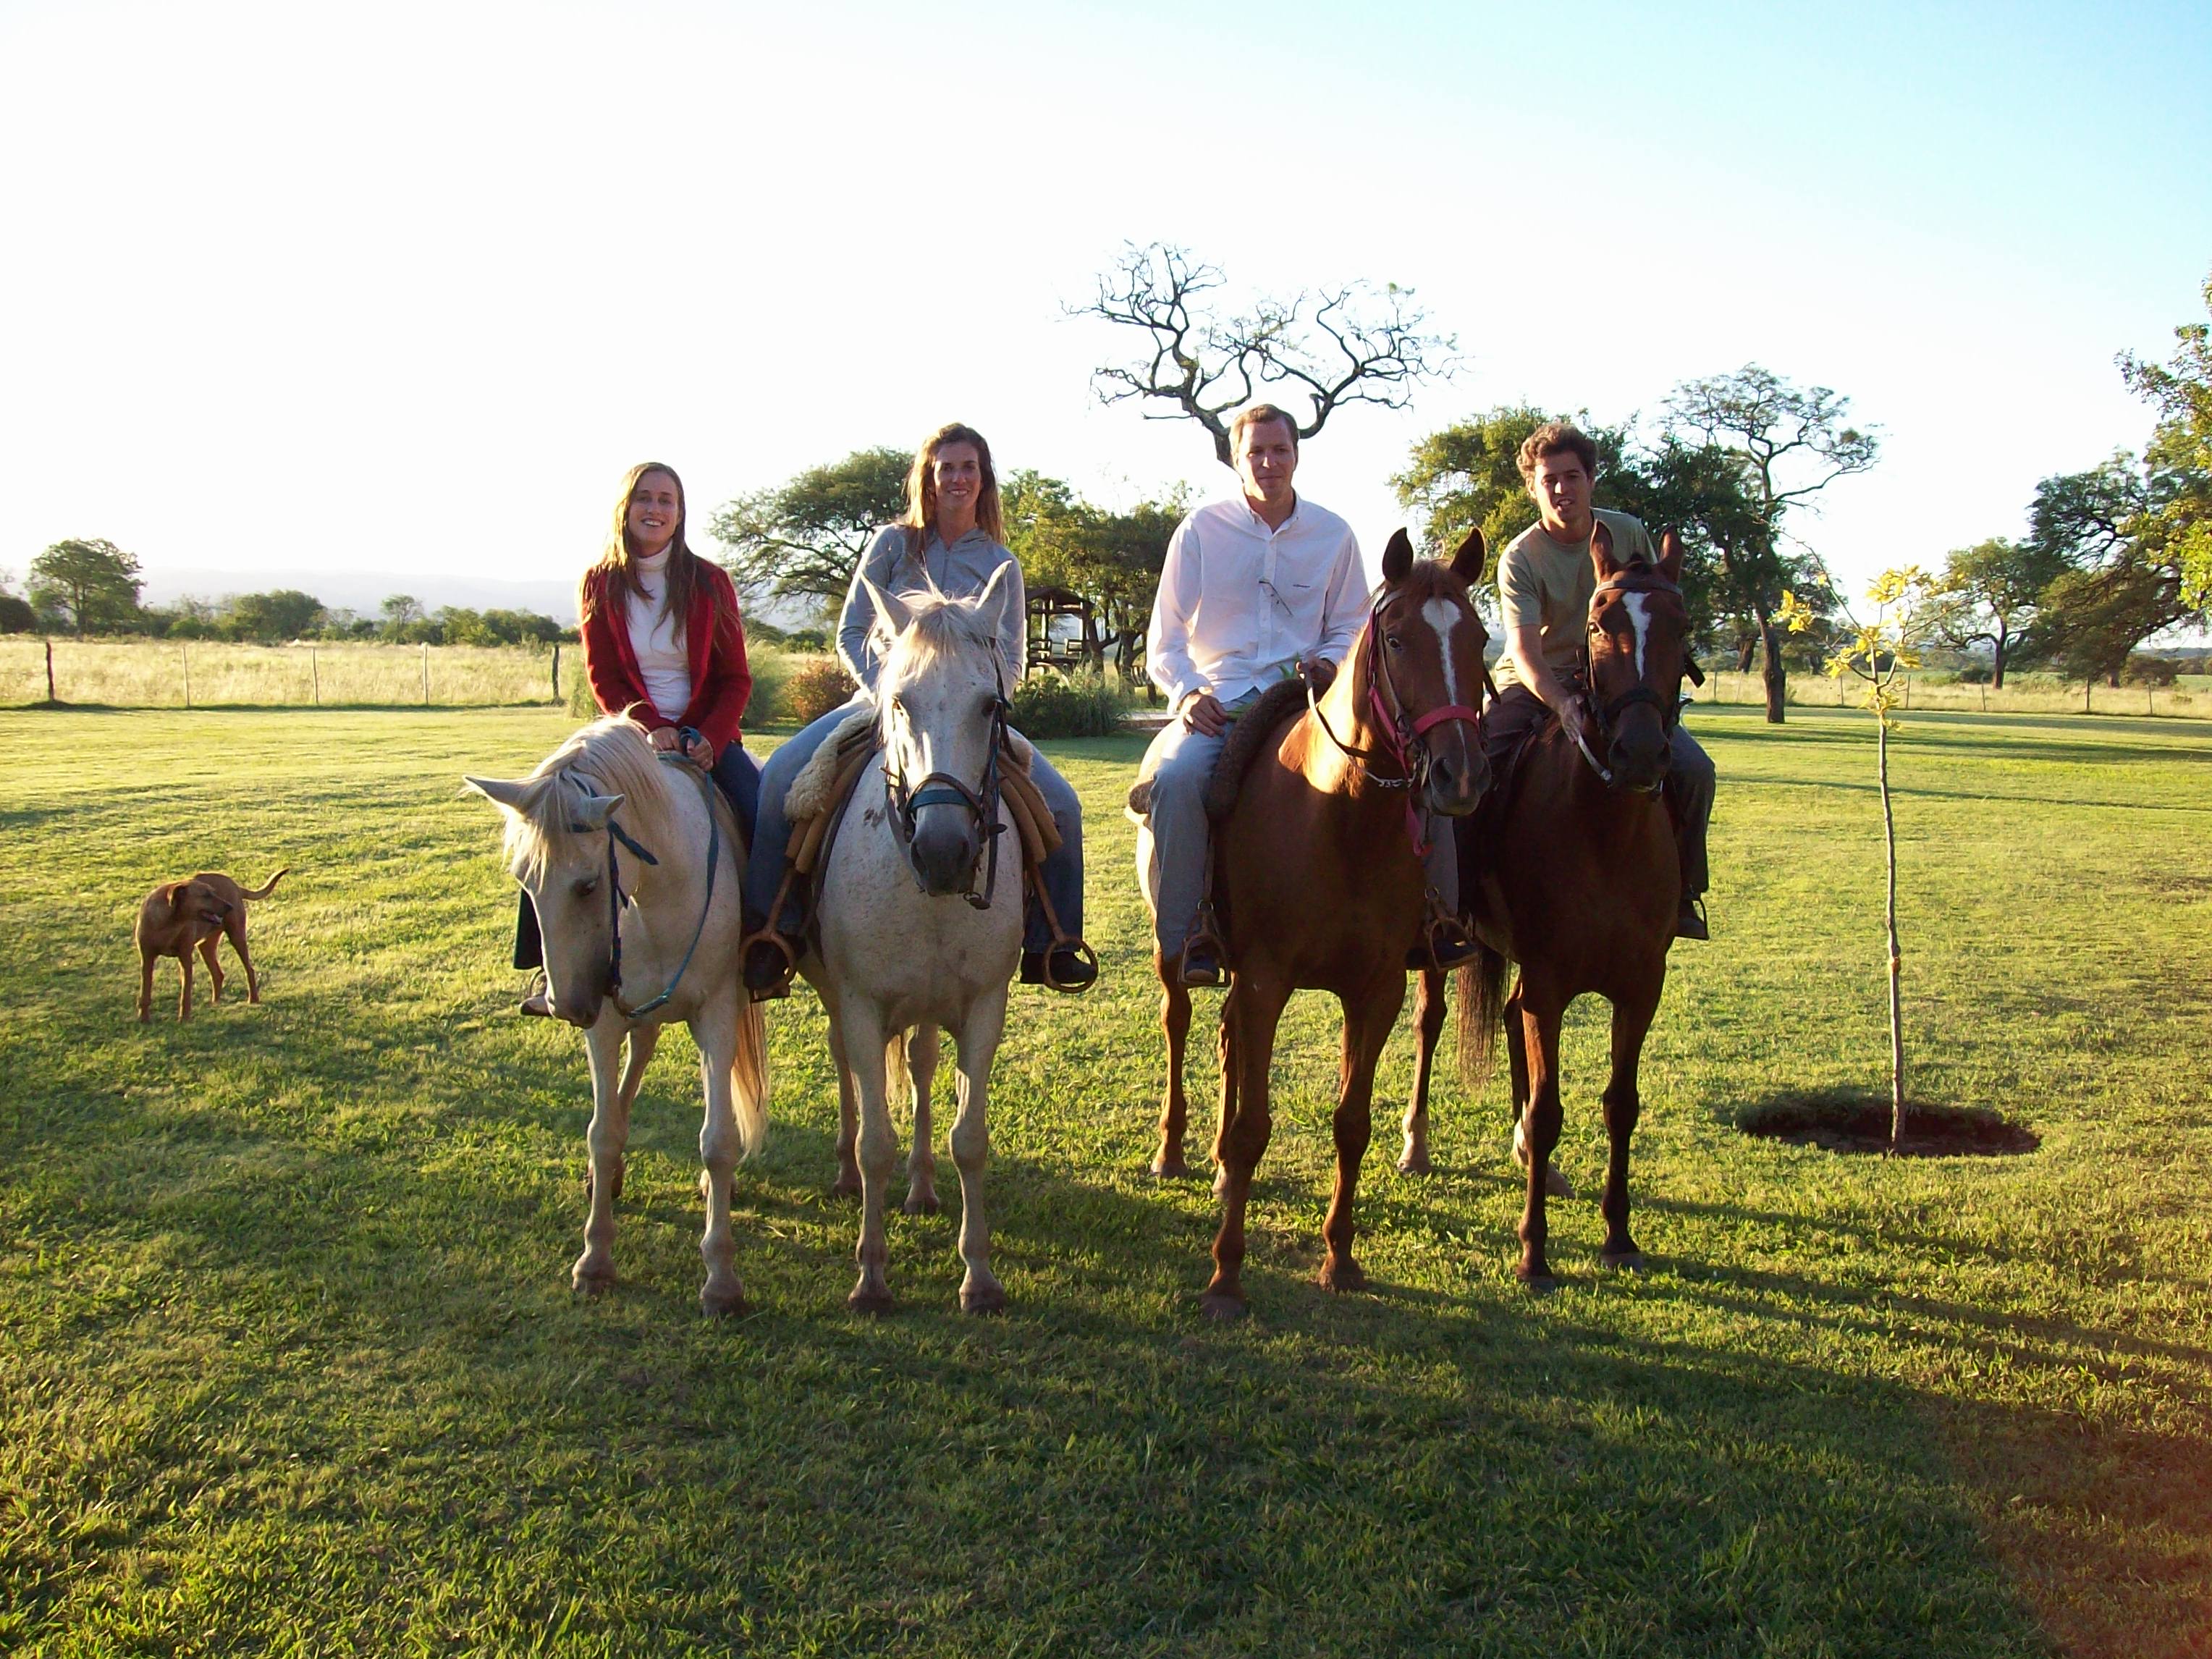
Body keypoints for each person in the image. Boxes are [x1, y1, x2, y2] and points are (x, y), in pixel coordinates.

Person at [740, 422, 1094, 997]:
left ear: (983, 480)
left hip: (971, 713)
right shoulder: (891, 544)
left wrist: (975, 693)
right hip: (882, 702)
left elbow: (1014, 657)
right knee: (781, 774)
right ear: (928, 478)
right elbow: (853, 632)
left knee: (1065, 807)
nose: (957, 478)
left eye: (968, 468)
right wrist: (892, 693)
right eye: (945, 467)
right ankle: (771, 935)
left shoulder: (1002, 562)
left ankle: (1049, 943)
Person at [1139, 403, 1470, 987]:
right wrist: (1189, 693)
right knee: (1177, 780)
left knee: (1417, 776)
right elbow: (1165, 637)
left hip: (1310, 701)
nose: (1268, 462)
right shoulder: (1200, 531)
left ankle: (1438, 916)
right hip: (1225, 701)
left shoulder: (1333, 534)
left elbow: (1350, 623)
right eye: (1255, 453)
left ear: (1297, 455)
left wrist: (1330, 659)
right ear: (1236, 461)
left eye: (1279, 451)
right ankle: (1192, 930)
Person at [515, 460, 760, 1015]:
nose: (655, 509)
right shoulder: (600, 583)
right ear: (626, 510)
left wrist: (708, 738)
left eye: (666, 500)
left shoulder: (710, 582)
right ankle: (541, 966)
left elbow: (735, 677)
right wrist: (653, 729)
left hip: (706, 738)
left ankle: (763, 940)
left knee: (761, 807)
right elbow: (604, 675)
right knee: (547, 811)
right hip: (629, 739)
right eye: (645, 498)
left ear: (680, 513)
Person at [1484, 421, 1715, 939]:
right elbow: (1522, 650)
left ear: (1591, 479)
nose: (1562, 489)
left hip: (1616, 685)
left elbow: (1653, 609)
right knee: (1482, 769)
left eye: (1572, 477)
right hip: (1539, 682)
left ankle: (1685, 889)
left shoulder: (1628, 533)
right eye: (1550, 481)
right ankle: (1465, 898)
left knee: (1695, 770)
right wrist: (1563, 704)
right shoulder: (1521, 556)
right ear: (1533, 487)